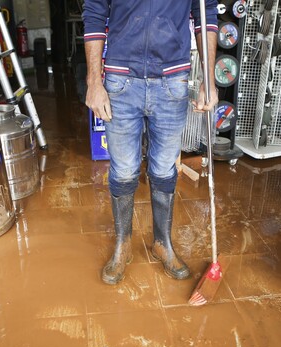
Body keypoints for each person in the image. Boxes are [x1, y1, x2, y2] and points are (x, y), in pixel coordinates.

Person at [83, 1, 219, 285]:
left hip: (172, 80)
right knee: (123, 170)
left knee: (163, 169)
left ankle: (162, 243)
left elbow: (204, 15)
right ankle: (123, 245)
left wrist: (209, 79)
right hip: (121, 81)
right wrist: (94, 82)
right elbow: (95, 15)